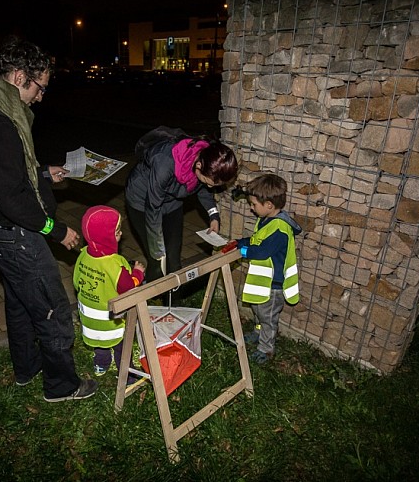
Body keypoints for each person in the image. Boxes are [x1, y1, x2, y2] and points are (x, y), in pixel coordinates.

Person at [0, 35, 97, 402]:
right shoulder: (0, 124)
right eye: (40, 87)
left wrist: (42, 173)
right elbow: (12, 198)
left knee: (21, 302)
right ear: (21, 76)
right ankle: (62, 386)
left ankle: (27, 368)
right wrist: (58, 230)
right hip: (16, 234)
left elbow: (2, 175)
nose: (41, 96)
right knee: (51, 308)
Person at [125, 128, 238, 283]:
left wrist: (213, 215)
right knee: (157, 261)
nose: (210, 187)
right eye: (209, 182)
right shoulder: (164, 162)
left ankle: (172, 302)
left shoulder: (206, 156)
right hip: (143, 201)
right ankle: (148, 298)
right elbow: (153, 208)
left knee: (173, 259)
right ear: (198, 166)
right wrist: (157, 248)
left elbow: (202, 187)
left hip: (172, 201)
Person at [73, 205, 146, 388]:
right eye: (117, 231)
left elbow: (76, 283)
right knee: (121, 346)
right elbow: (128, 288)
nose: (121, 234)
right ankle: (127, 374)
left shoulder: (82, 256)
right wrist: (138, 274)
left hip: (89, 319)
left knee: (100, 343)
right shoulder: (115, 264)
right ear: (107, 236)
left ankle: (100, 365)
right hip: (112, 321)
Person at [236, 174, 302, 364]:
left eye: (254, 204)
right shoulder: (266, 220)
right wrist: (241, 242)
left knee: (267, 318)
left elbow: (260, 252)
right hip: (263, 283)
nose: (251, 207)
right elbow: (257, 241)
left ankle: (266, 349)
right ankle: (258, 333)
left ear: (269, 205)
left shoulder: (280, 228)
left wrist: (242, 250)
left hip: (274, 285)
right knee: (258, 310)